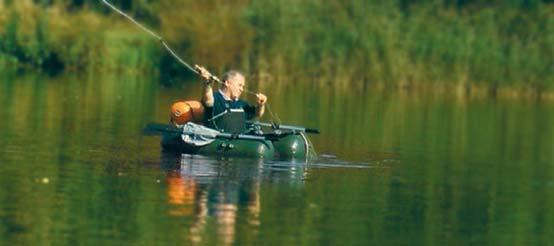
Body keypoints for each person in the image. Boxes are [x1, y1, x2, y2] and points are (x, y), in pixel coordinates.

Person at [195, 65, 267, 131]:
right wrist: (208, 82)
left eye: (243, 87)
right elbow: (208, 99)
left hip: (241, 141)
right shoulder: (215, 98)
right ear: (227, 83)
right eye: (239, 85)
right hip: (220, 142)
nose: (241, 89)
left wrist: (261, 105)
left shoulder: (242, 104)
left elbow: (257, 114)